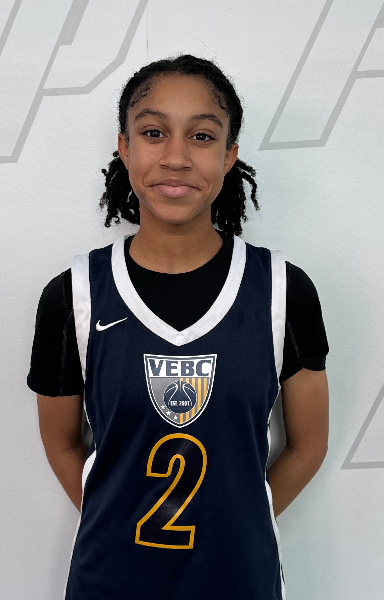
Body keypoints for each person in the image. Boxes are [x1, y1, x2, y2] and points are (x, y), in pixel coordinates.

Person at [28, 54, 329, 600]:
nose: (176, 157)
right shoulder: (73, 295)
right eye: (153, 132)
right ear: (124, 147)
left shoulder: (284, 290)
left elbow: (308, 447)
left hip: (240, 580)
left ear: (229, 155)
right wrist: (123, 523)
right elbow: (63, 444)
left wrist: (234, 523)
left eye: (202, 136)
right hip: (109, 582)